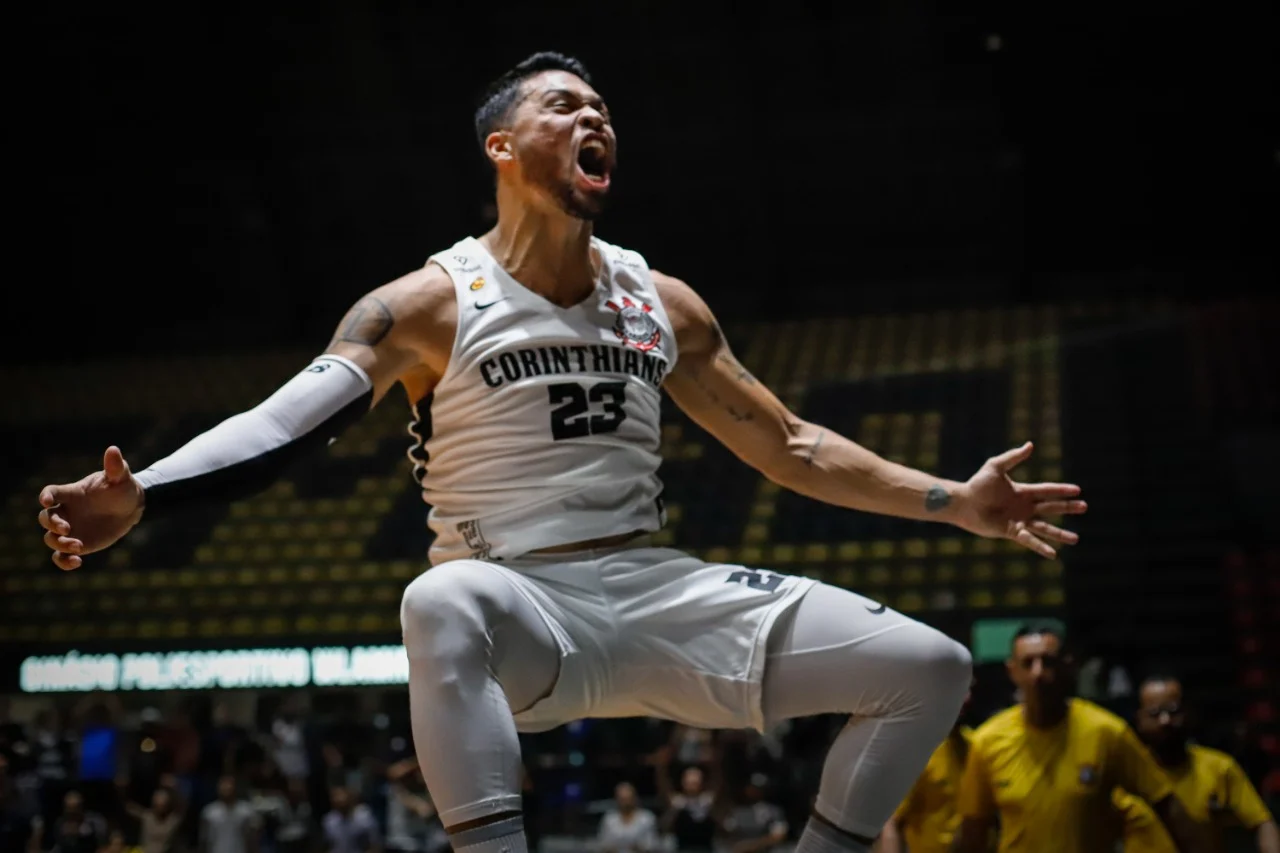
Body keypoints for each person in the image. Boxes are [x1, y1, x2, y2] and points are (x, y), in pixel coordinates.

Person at [37, 51, 1089, 853]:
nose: (594, 119)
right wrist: (152, 492)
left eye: (602, 112)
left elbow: (790, 442)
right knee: (436, 599)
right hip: (514, 605)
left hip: (655, 586)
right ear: (500, 146)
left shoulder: (659, 300)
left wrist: (954, 501)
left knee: (929, 667)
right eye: (564, 106)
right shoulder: (427, 302)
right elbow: (281, 421)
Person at [955, 623, 1203, 852]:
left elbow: (1166, 804)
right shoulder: (988, 741)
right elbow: (972, 832)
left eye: (1048, 661)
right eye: (1028, 663)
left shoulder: (1106, 732)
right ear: (1012, 671)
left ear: (1068, 664)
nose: (1038, 673)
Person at [1112, 675, 1278, 853]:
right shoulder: (1124, 772)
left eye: (1173, 711)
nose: (1165, 720)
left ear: (1188, 713)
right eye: (1155, 713)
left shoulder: (1220, 768)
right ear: (1139, 720)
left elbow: (1262, 823)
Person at [877, 684, 974, 853]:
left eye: (967, 689)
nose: (965, 698)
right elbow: (891, 825)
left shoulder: (975, 744)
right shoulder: (916, 751)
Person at [596, 782, 658, 853]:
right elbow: (603, 844)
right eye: (622, 800)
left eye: (628, 799)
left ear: (634, 798)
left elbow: (652, 845)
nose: (625, 803)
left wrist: (636, 847)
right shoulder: (609, 819)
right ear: (617, 799)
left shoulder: (647, 818)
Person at [200, 777, 257, 853]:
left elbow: (253, 839)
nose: (227, 789)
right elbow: (204, 839)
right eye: (223, 787)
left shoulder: (246, 811)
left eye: (229, 787)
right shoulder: (210, 812)